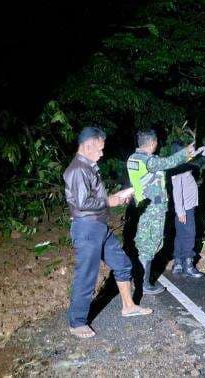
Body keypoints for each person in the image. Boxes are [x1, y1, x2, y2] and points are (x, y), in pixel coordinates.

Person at [63, 126, 152, 339]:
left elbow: (93, 198)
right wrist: (110, 201)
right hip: (86, 228)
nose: (103, 153)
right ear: (88, 145)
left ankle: (128, 306)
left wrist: (118, 196)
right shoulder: (77, 169)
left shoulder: (89, 166)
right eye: (100, 149)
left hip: (99, 226)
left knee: (122, 264)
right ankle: (77, 323)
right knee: (86, 276)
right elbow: (82, 204)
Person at [126, 130, 199, 294]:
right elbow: (167, 163)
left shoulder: (133, 158)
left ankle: (137, 279)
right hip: (153, 209)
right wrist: (186, 152)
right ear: (152, 143)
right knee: (150, 244)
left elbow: (160, 164)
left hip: (141, 206)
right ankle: (144, 285)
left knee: (143, 242)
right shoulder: (148, 161)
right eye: (156, 142)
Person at [170, 141, 205, 278]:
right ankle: (188, 266)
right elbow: (177, 191)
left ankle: (178, 263)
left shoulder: (180, 165)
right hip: (185, 209)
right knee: (189, 236)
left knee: (180, 236)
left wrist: (203, 151)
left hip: (184, 208)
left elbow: (195, 160)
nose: (188, 152)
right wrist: (180, 211)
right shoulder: (179, 169)